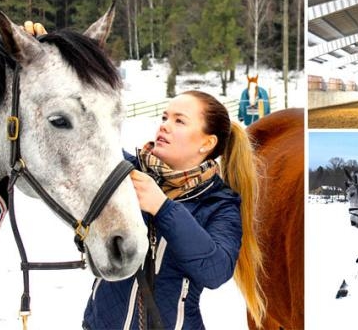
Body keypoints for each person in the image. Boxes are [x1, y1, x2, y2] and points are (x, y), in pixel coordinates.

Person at [22, 22, 265, 329]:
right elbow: (72, 142)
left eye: (179, 120)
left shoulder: (220, 203)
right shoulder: (122, 171)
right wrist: (39, 55)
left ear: (207, 142)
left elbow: (215, 270)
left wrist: (163, 208)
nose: (164, 125)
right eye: (164, 116)